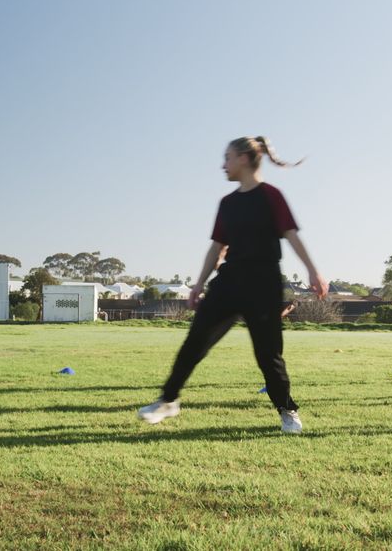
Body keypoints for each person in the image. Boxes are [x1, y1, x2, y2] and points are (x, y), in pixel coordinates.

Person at [138, 136, 327, 434]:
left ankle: (286, 410)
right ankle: (168, 400)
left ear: (243, 158)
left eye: (227, 157)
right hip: (229, 281)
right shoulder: (227, 203)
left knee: (268, 354)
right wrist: (199, 283)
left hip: (264, 282)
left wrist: (313, 272)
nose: (222, 165)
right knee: (195, 341)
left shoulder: (271, 196)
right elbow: (216, 248)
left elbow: (291, 235)